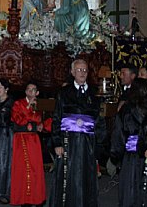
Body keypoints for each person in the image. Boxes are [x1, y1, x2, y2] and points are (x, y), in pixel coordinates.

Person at [49, 59, 107, 207]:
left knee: (86, 177)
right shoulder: (64, 92)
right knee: (68, 177)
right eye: (79, 70)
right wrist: (57, 142)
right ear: (72, 72)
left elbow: (99, 121)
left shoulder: (94, 94)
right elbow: (56, 118)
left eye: (85, 70)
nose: (82, 73)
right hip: (69, 142)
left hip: (88, 143)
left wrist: (98, 146)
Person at [110, 78, 147, 207]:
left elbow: (118, 135)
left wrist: (117, 156)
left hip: (131, 157)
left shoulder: (126, 110)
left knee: (130, 192)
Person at [10, 82, 52, 206]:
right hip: (21, 139)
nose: (30, 91)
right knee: (24, 168)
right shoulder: (18, 104)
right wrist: (29, 108)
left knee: (36, 168)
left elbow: (43, 122)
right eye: (28, 89)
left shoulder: (40, 105)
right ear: (25, 91)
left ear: (37, 93)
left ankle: (37, 198)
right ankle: (25, 199)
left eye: (33, 90)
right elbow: (18, 119)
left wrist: (42, 125)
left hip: (34, 140)